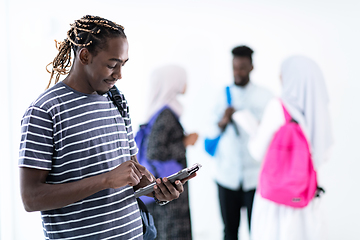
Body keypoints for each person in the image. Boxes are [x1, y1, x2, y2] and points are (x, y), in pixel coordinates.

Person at [18, 15, 195, 240]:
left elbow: (131, 171)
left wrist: (158, 191)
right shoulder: (45, 111)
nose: (120, 75)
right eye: (112, 65)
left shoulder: (117, 100)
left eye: (123, 64)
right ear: (84, 55)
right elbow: (31, 198)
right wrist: (105, 179)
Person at [242, 55, 333, 240]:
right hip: (306, 198)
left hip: (276, 201)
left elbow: (257, 152)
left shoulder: (278, 106)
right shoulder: (318, 110)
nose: (280, 77)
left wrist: (255, 133)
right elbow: (323, 155)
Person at [209, 45, 272, 240]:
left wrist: (252, 121)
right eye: (235, 67)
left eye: (243, 67)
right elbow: (209, 132)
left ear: (252, 67)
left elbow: (272, 132)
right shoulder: (221, 95)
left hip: (256, 178)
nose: (238, 72)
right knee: (229, 232)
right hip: (226, 176)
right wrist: (223, 120)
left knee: (259, 231)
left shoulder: (265, 96)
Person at [140, 65, 198, 240]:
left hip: (164, 188)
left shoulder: (161, 110)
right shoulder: (166, 113)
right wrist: (184, 142)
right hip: (168, 191)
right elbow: (154, 151)